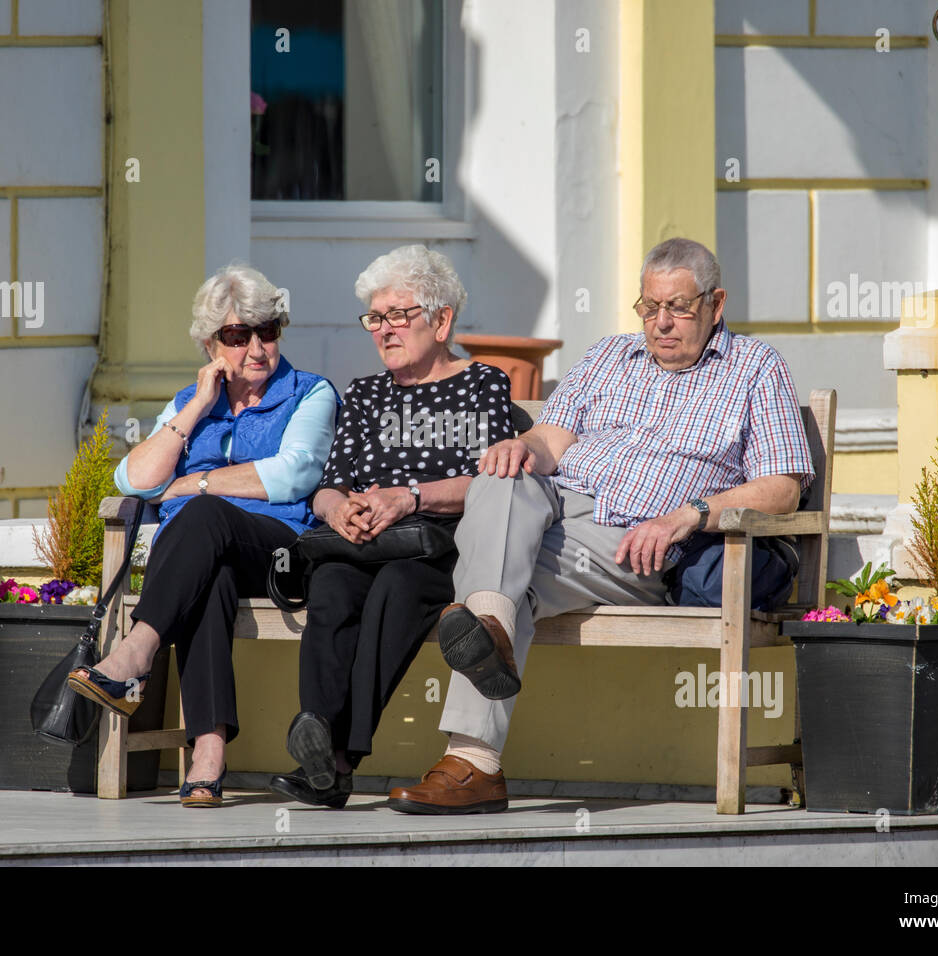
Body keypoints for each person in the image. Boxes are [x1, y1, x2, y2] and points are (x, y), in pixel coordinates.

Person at [389, 237, 816, 814]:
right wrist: (521, 446)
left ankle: (473, 762)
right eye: (649, 307)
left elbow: (784, 485)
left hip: (638, 543)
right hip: (556, 509)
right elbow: (549, 441)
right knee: (499, 476)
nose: (661, 323)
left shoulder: (754, 368)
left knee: (511, 575)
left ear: (716, 305)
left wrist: (691, 513)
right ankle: (487, 624)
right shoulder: (608, 357)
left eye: (679, 308)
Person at [67, 264, 338, 807]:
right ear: (212, 343)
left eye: (269, 330)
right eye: (238, 336)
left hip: (278, 552)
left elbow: (297, 473)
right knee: (207, 576)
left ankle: (136, 653)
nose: (257, 347)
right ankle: (208, 757)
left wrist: (198, 482)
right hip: (204, 557)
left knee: (201, 513)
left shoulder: (310, 393)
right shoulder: (195, 399)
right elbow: (134, 481)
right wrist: (195, 407)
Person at [268, 244, 514, 809]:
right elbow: (331, 482)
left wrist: (409, 497)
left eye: (398, 316)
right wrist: (336, 510)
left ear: (442, 319)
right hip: (362, 544)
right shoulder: (366, 393)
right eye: (375, 318)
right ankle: (326, 760)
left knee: (397, 589)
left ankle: (335, 760)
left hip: (440, 547)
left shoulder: (482, 385)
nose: (383, 330)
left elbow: (493, 479)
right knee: (329, 587)